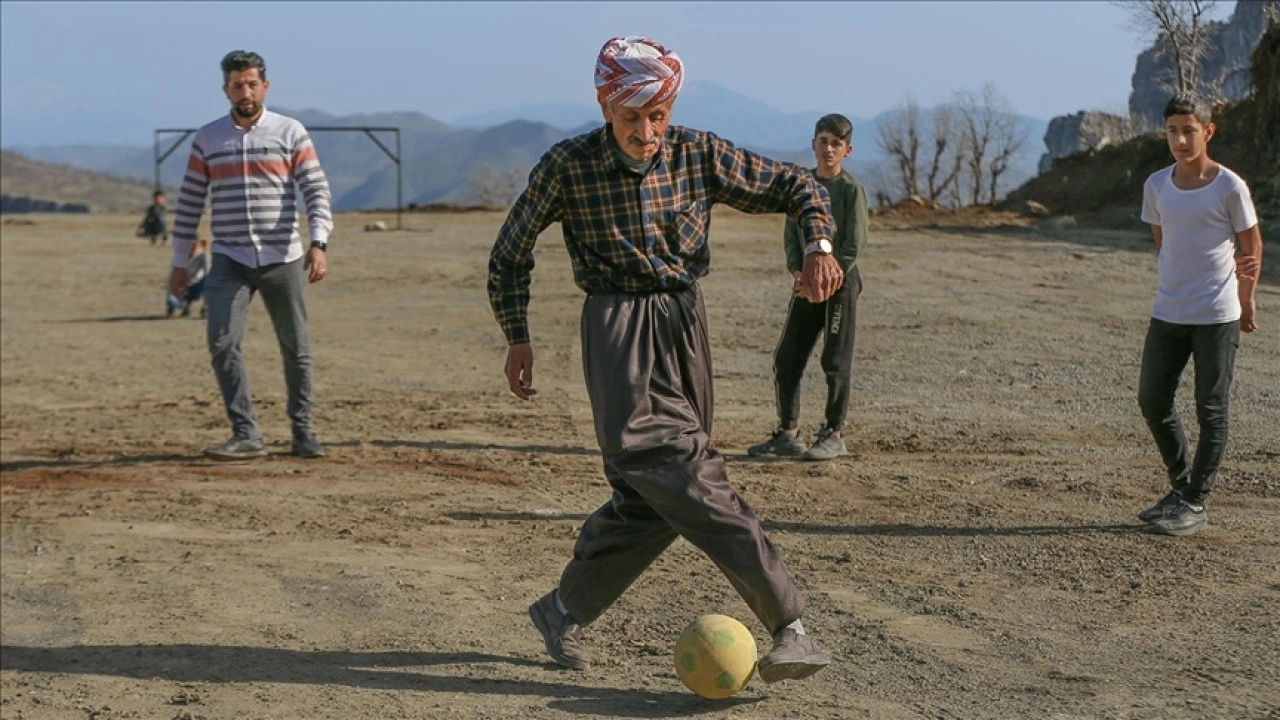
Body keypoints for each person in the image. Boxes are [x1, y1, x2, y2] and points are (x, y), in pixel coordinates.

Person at [487, 36, 844, 684]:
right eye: (632, 118)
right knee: (685, 473)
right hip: (617, 331)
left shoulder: (698, 153)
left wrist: (820, 243)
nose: (647, 132)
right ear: (605, 106)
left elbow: (796, 185)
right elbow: (510, 251)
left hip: (685, 325)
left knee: (652, 500)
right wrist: (518, 334)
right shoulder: (567, 166)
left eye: (659, 116)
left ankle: (564, 608)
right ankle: (788, 623)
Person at [168, 50, 333, 462]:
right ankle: (246, 433)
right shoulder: (208, 138)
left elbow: (315, 190)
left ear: (265, 86)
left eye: (252, 83)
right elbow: (189, 203)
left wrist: (319, 243)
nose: (246, 91)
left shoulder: (290, 132)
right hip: (229, 257)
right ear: (226, 89)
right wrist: (177, 264)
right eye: (237, 85)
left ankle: (303, 431)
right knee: (222, 342)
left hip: (283, 256)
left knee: (296, 347)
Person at [1135, 92, 1263, 536]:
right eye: (1172, 130)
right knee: (1152, 399)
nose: (1180, 139)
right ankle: (1182, 487)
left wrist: (1246, 300)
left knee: (1211, 407)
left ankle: (1196, 500)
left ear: (1208, 132)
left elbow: (1252, 246)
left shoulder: (1230, 186)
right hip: (1168, 312)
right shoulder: (1156, 185)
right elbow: (1165, 241)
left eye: (1189, 130)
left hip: (1217, 315)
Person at [748, 114, 869, 462]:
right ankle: (788, 434)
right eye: (823, 141)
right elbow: (792, 235)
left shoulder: (850, 190)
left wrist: (832, 274)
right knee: (787, 357)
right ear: (813, 144)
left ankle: (833, 433)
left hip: (840, 285)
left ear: (847, 149)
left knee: (835, 359)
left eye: (836, 143)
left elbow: (854, 243)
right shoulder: (802, 184)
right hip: (806, 283)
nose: (828, 148)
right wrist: (797, 271)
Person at [166, 237, 211, 318]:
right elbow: (174, 271)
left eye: (193, 243)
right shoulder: (180, 255)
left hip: (196, 282)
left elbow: (207, 270)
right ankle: (172, 307)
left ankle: (205, 308)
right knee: (173, 280)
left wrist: (206, 252)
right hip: (182, 283)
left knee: (209, 281)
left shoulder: (202, 255)